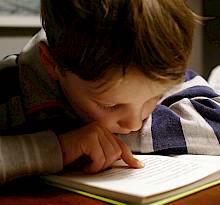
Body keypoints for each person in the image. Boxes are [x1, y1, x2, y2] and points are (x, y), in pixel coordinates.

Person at [0, 0, 220, 185]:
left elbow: (215, 123)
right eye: (110, 105)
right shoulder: (9, 87)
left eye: (155, 97)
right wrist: (59, 147)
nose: (135, 124)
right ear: (52, 63)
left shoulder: (156, 66)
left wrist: (114, 139)